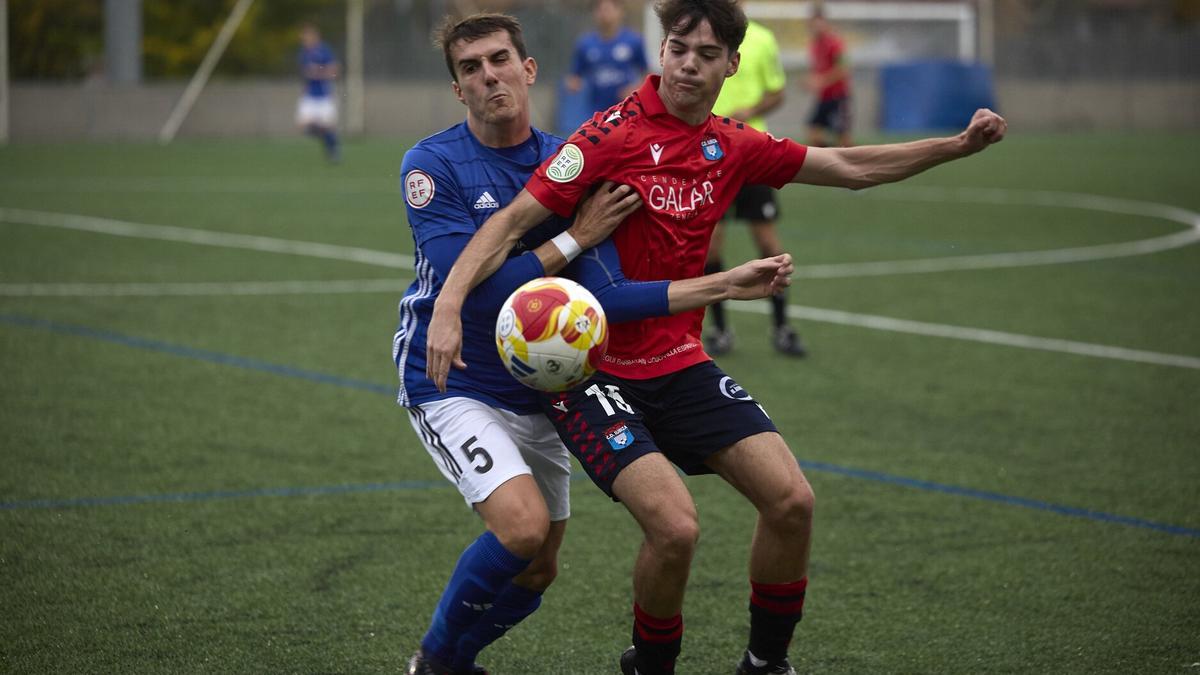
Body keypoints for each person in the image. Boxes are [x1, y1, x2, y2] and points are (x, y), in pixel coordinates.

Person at [425, 1, 1006, 673]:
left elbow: (849, 167)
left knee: (792, 501)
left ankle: (766, 662)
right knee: (675, 528)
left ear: (731, 65)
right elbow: (510, 221)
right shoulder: (608, 135)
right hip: (597, 374)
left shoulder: (731, 144)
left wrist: (956, 145)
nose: (687, 64)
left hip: (681, 363)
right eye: (677, 48)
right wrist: (451, 300)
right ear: (661, 51)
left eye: (705, 54)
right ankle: (650, 663)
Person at [397, 13, 796, 675]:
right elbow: (484, 296)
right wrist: (573, 239)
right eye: (471, 68)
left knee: (539, 566)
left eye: (500, 60)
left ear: (528, 71)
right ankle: (435, 662)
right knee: (521, 529)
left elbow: (606, 297)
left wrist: (717, 284)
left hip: (543, 383)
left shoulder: (573, 160)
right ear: (457, 90)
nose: (488, 75)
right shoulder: (432, 165)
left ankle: (455, 659)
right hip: (454, 378)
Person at [706, 0, 806, 357]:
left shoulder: (762, 39)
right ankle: (719, 331)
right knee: (711, 246)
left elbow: (777, 92)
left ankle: (782, 328)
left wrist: (751, 111)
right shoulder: (705, 36)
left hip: (752, 153)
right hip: (709, 155)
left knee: (768, 246)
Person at [565, 0, 649, 115]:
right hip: (596, 111)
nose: (605, 14)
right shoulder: (585, 44)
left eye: (608, 9)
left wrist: (634, 88)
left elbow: (647, 74)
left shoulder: (634, 41)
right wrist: (574, 83)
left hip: (626, 109)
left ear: (620, 11)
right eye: (600, 10)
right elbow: (575, 76)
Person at [806, 7, 852, 148]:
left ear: (825, 23)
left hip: (838, 96)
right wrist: (810, 81)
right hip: (824, 97)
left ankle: (853, 163)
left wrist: (821, 81)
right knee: (814, 132)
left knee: (843, 138)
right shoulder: (814, 45)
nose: (816, 27)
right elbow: (818, 70)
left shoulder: (834, 43)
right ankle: (831, 159)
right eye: (813, 23)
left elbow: (843, 69)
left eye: (819, 22)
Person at [296, 23, 341, 163]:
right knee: (303, 126)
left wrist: (319, 72)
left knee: (329, 126)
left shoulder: (324, 50)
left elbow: (335, 70)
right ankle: (327, 140)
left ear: (315, 37)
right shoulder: (304, 53)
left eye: (307, 36)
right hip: (309, 96)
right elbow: (306, 72)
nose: (305, 39)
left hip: (325, 95)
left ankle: (333, 151)